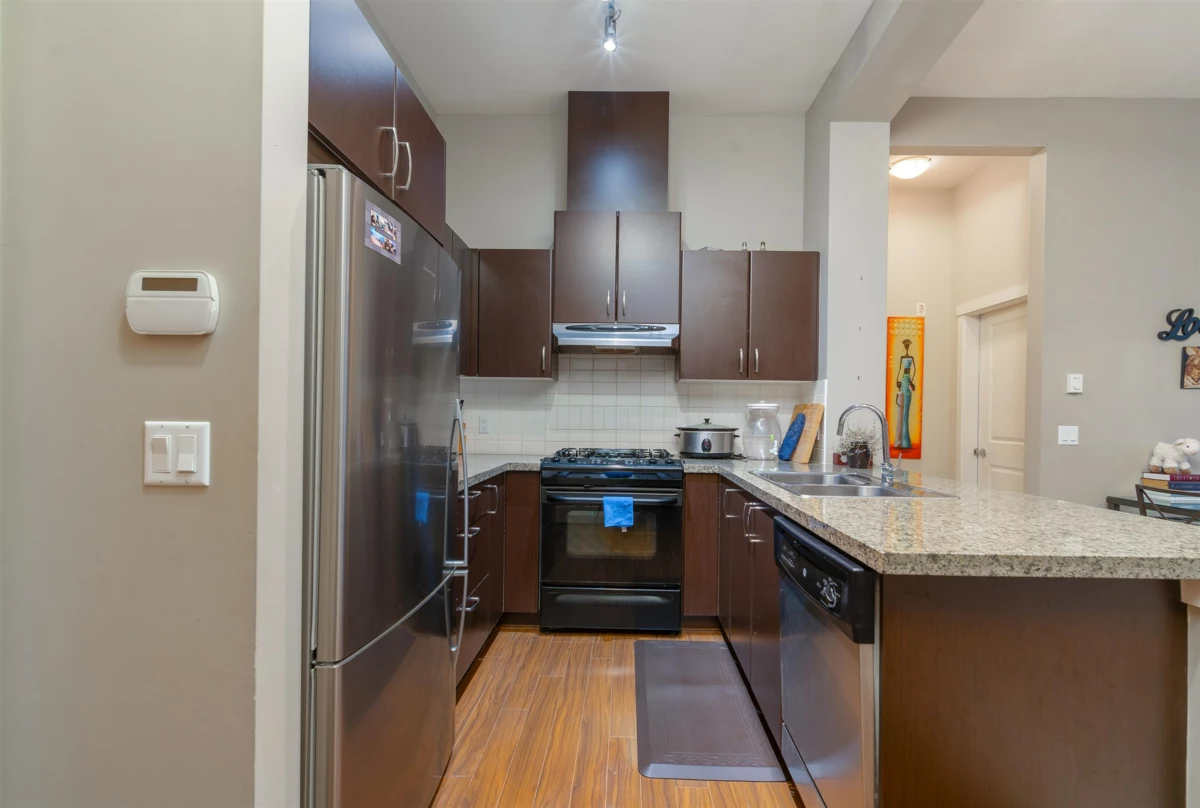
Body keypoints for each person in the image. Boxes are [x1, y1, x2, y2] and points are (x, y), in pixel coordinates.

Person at [894, 338, 917, 450]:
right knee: (901, 408)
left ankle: (905, 441)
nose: (907, 347)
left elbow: (915, 370)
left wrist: (911, 381)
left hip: (908, 382)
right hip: (903, 381)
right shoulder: (902, 358)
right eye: (905, 345)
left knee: (906, 410)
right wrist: (897, 381)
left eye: (908, 345)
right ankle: (900, 441)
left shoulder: (911, 357)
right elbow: (899, 370)